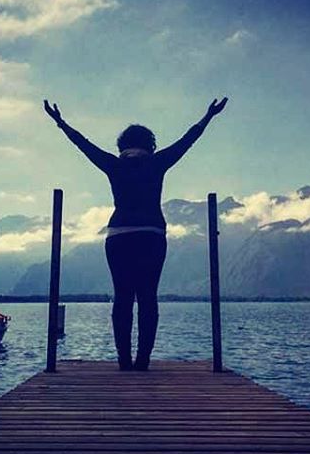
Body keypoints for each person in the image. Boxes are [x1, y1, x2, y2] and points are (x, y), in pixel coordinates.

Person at [44, 97, 228, 371]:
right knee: (148, 297)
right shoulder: (157, 162)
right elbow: (188, 140)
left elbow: (83, 144)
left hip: (118, 236)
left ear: (122, 146)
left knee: (122, 297)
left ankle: (123, 361)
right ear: (150, 145)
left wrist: (60, 122)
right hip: (151, 236)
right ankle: (142, 361)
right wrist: (208, 115)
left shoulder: (114, 165)